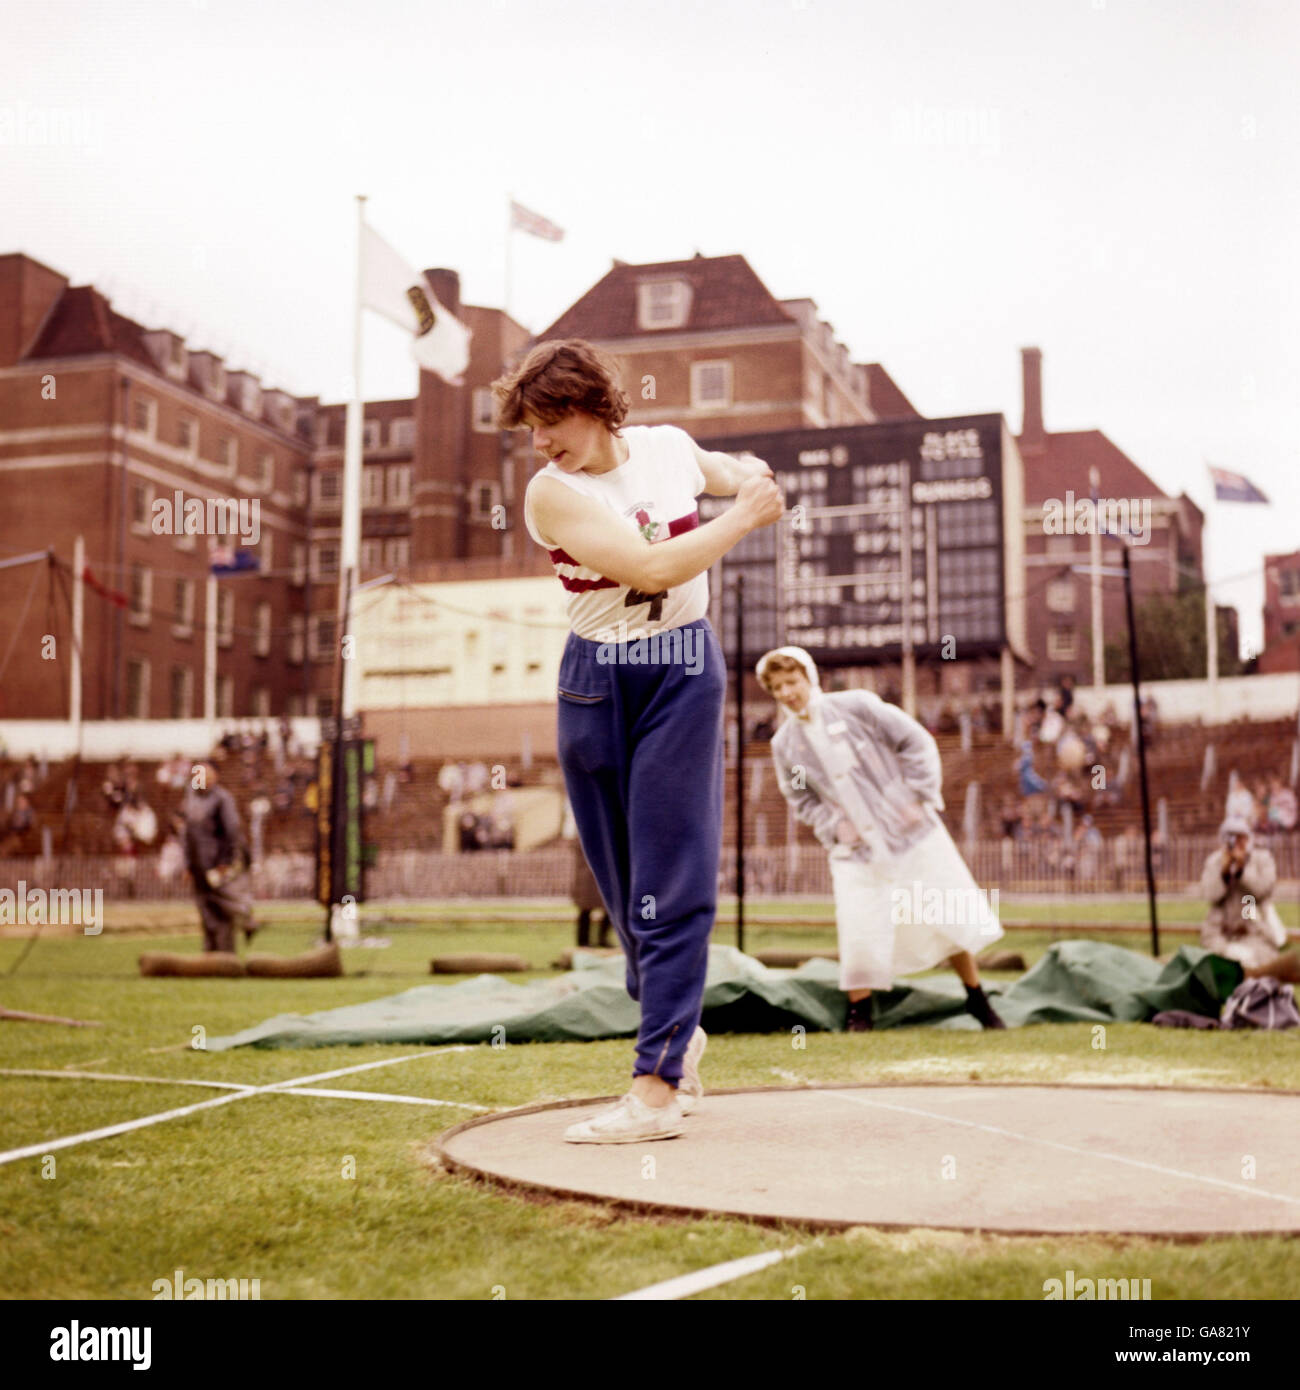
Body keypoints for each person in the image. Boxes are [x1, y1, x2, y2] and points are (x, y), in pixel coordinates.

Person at [494, 337, 784, 1142]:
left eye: (548, 422)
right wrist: (744, 520)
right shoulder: (550, 494)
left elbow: (731, 469)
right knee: (625, 890)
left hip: (680, 668)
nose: (539, 442)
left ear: (590, 404)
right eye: (529, 429)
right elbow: (650, 570)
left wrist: (755, 476)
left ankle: (656, 1087)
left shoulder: (666, 449)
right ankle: (678, 1030)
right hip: (594, 678)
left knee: (674, 873)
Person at [759, 647, 1006, 1033]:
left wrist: (916, 795)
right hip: (854, 851)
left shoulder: (856, 706)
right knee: (859, 924)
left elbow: (915, 740)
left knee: (944, 911)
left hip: (910, 835)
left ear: (808, 678)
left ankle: (978, 1000)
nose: (787, 692)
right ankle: (861, 1015)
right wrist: (834, 826)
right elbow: (799, 796)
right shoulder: (785, 744)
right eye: (777, 688)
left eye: (792, 682)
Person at [1199, 816, 1294, 980]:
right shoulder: (1215, 861)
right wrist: (1225, 872)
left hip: (1255, 931)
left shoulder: (1262, 859)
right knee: (1222, 961)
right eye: (1231, 837)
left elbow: (1262, 890)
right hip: (1220, 933)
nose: (1236, 843)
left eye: (1240, 837)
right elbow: (1210, 895)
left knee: (1251, 961)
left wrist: (1243, 870)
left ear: (1249, 838)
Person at [181, 759, 256, 953]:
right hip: (199, 865)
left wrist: (225, 861)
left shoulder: (223, 799)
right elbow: (187, 834)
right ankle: (211, 953)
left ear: (215, 776)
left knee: (223, 906)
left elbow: (232, 832)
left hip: (217, 864)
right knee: (205, 910)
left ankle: (230, 946)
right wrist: (188, 865)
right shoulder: (190, 797)